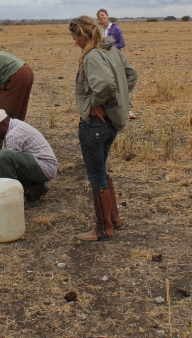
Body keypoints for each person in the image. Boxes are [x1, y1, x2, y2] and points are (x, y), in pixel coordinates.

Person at [69, 15, 138, 241]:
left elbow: (106, 84)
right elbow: (130, 75)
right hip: (111, 123)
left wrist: (95, 104)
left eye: (74, 36)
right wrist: (117, 100)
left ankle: (103, 229)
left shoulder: (92, 56)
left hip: (95, 126)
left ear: (82, 34)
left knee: (96, 175)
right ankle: (114, 220)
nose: (74, 41)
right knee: (101, 170)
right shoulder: (112, 51)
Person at [0, 109, 58, 203]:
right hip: (37, 165)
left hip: (46, 167)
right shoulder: (11, 128)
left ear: (3, 124)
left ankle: (13, 199)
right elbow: (3, 166)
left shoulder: (13, 134)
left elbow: (6, 160)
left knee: (4, 156)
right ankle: (32, 188)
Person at [97, 8, 136, 119]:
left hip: (115, 59)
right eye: (99, 16)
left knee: (120, 83)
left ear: (107, 16)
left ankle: (129, 109)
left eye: (103, 15)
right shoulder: (98, 30)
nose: (101, 17)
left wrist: (109, 47)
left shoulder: (115, 28)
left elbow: (122, 43)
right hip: (103, 60)